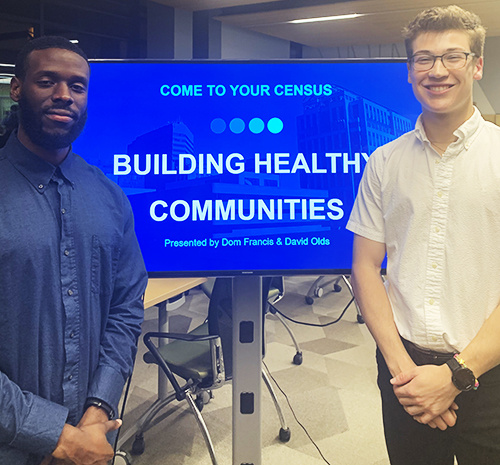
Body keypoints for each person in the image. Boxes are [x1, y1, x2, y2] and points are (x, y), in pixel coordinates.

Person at [347, 5, 500, 465]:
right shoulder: (384, 162)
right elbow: (365, 267)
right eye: (423, 59)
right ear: (409, 72)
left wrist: (455, 375)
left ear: (476, 65)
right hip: (403, 369)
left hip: (490, 372)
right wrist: (404, 372)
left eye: (453, 56)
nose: (437, 70)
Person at [0, 36, 148, 465]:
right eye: (47, 81)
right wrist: (56, 436)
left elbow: (125, 308)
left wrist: (97, 410)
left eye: (77, 86)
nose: (64, 95)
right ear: (16, 88)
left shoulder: (109, 196)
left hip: (93, 438)